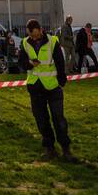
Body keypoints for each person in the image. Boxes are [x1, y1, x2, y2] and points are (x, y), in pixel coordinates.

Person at [19, 19, 76, 161]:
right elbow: (21, 62)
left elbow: (59, 62)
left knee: (59, 119)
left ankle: (65, 148)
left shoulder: (53, 41)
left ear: (40, 29)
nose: (33, 38)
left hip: (53, 87)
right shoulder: (25, 42)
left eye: (35, 35)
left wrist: (61, 81)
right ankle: (49, 148)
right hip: (35, 86)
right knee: (41, 120)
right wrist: (30, 64)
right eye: (31, 35)